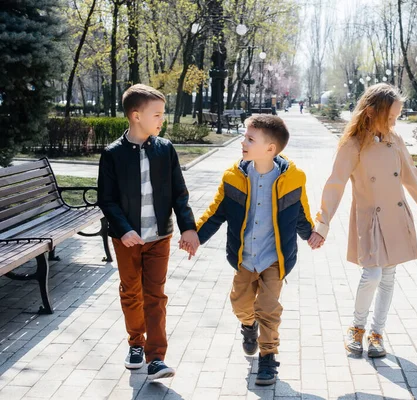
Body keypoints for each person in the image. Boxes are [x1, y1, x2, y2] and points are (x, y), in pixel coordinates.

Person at [310, 83, 417, 358]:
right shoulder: (353, 144)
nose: (394, 123)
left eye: (396, 118)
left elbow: (411, 177)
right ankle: (356, 328)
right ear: (370, 112)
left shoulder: (395, 141)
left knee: (389, 276)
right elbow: (336, 183)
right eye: (390, 117)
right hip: (370, 218)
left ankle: (377, 333)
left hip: (395, 214)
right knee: (372, 273)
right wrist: (323, 224)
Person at [192, 115, 321, 385]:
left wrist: (311, 234)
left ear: (270, 149)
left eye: (250, 139)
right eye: (245, 136)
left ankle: (268, 358)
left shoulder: (293, 178)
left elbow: (301, 212)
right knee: (240, 303)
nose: (243, 142)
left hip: (275, 258)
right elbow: (215, 213)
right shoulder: (233, 176)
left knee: (269, 309)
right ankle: (248, 326)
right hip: (244, 257)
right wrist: (195, 235)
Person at [98, 84, 199, 381]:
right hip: (127, 240)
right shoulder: (113, 154)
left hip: (159, 238)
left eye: (162, 114)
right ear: (136, 115)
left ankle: (156, 358)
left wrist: (189, 229)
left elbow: (179, 194)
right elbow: (107, 199)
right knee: (131, 292)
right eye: (157, 114)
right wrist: (124, 229)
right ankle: (135, 344)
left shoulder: (165, 150)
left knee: (154, 295)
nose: (162, 120)